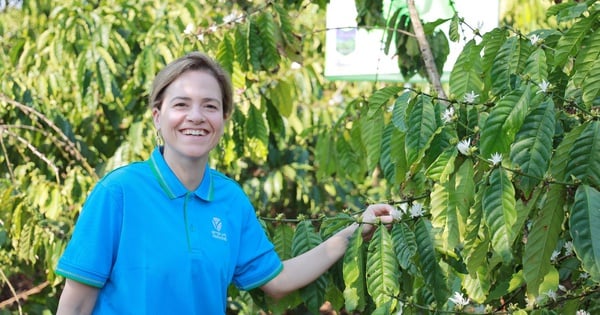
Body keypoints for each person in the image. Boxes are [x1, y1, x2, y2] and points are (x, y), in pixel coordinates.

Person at [55, 52, 396, 314]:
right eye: (181, 104)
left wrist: (351, 232)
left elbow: (276, 281)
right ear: (158, 116)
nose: (196, 117)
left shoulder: (230, 200)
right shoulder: (119, 193)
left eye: (210, 106)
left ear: (223, 119)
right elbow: (76, 306)